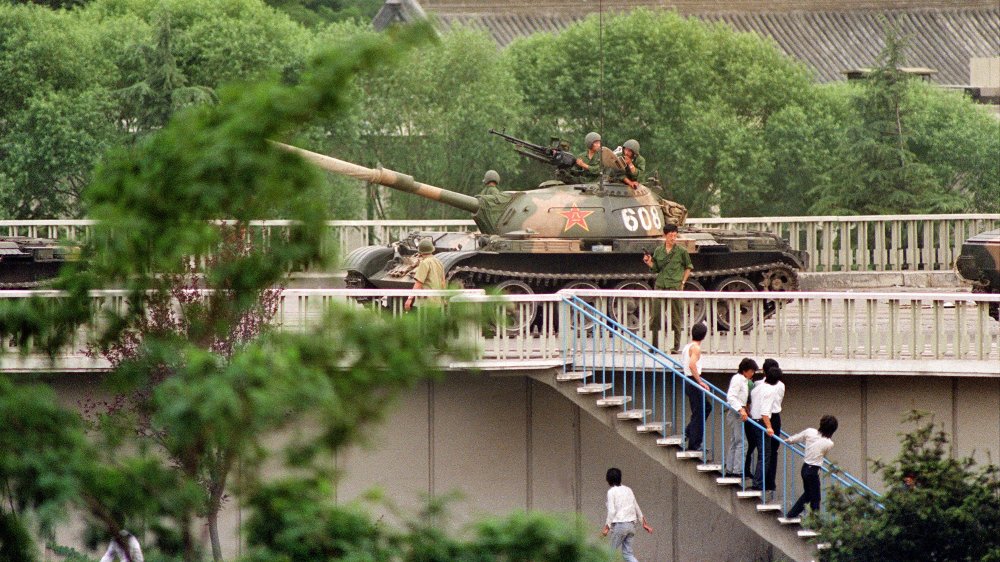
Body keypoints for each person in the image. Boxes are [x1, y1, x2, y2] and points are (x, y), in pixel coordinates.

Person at [643, 223, 693, 352]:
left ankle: (676, 346)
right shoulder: (659, 251)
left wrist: (682, 282)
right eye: (670, 235)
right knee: (655, 317)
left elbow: (688, 267)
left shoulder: (681, 251)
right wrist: (649, 262)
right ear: (665, 235)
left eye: (675, 235)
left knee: (676, 317)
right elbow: (656, 269)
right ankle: (654, 346)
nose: (673, 238)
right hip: (660, 285)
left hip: (675, 286)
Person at [785, 415, 838, 519]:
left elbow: (797, 438)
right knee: (815, 497)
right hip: (813, 471)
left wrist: (789, 440)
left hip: (804, 468)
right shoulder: (829, 443)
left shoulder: (810, 431)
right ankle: (813, 522)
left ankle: (792, 514)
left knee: (809, 495)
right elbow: (822, 454)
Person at [602, 467, 653, 562]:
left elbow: (612, 511)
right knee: (628, 555)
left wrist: (606, 527)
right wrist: (644, 523)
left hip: (620, 526)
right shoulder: (628, 490)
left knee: (609, 554)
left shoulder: (611, 492)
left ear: (608, 479)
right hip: (631, 526)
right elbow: (636, 507)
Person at [749, 367, 782, 496]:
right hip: (761, 422)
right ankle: (758, 483)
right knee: (765, 455)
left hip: (754, 420)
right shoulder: (770, 391)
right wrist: (769, 427)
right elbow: (765, 412)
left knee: (762, 453)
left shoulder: (758, 387)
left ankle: (758, 482)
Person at [725, 358, 759, 477]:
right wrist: (741, 409)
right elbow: (731, 397)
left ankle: (730, 469)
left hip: (740, 410)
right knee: (742, 443)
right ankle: (737, 470)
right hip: (736, 412)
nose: (752, 373)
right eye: (751, 371)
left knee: (735, 441)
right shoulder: (738, 379)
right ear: (744, 370)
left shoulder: (744, 380)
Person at [681, 323, 711, 451]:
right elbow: (692, 365)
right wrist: (700, 381)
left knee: (704, 408)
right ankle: (694, 443)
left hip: (688, 379)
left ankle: (689, 432)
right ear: (704, 336)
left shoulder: (687, 346)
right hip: (692, 379)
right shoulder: (696, 348)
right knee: (700, 411)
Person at [404, 238, 446, 311]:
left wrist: (410, 298)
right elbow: (443, 282)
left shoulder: (424, 263)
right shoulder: (439, 262)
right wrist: (443, 299)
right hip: (437, 303)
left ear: (420, 252)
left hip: (425, 304)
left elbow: (419, 282)